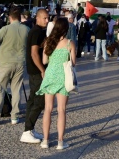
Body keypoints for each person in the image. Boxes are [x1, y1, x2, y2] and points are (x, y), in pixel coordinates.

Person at [0, 7, 30, 126]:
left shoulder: (5, 29)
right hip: (20, 62)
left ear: (9, 17)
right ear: (19, 17)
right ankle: (14, 116)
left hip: (5, 62)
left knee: (0, 90)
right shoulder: (27, 29)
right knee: (16, 89)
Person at [37, 17, 75, 150]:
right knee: (61, 110)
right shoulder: (70, 44)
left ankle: (45, 140)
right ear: (66, 29)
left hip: (50, 76)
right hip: (63, 78)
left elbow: (44, 61)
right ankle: (60, 141)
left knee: (47, 109)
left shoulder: (48, 42)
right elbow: (73, 63)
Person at [21, 8, 49, 144]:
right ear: (37, 18)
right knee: (39, 101)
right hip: (36, 71)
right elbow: (34, 53)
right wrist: (42, 69)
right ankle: (27, 131)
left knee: (32, 99)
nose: (47, 20)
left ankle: (29, 129)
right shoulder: (37, 31)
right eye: (44, 18)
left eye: (47, 18)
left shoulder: (37, 31)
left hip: (33, 70)